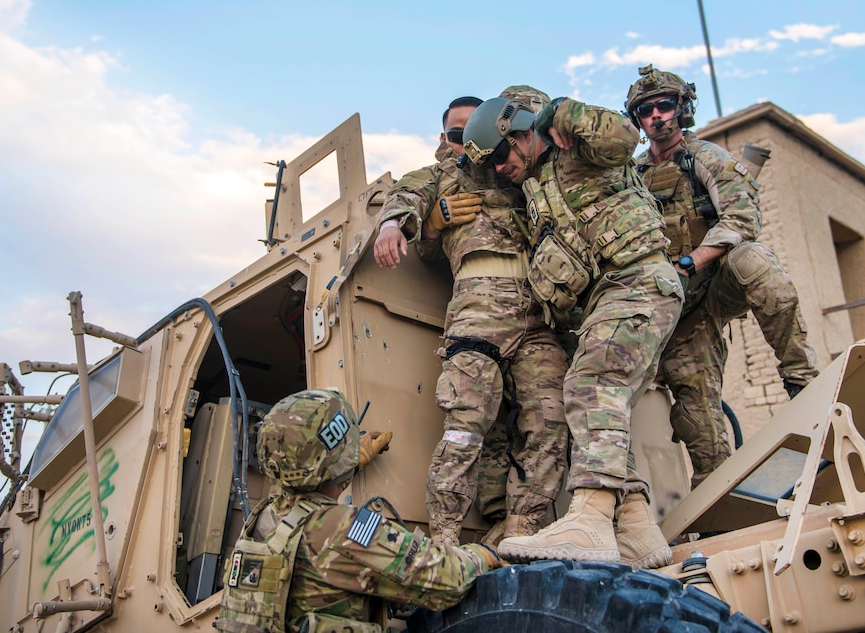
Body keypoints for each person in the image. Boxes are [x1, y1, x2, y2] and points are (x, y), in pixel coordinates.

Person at [461, 95, 682, 568]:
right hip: (615, 294)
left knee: (591, 386)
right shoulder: (538, 193)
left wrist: (559, 111)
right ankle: (637, 528)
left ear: (522, 130)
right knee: (599, 412)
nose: (501, 168)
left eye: (502, 155)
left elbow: (624, 137)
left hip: (637, 279)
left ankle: (590, 519)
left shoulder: (577, 150)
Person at [373, 89, 569, 550]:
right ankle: (443, 538)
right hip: (479, 306)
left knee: (551, 418)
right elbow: (407, 193)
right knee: (465, 422)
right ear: (445, 137)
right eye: (458, 135)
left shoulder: (522, 170)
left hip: (539, 309)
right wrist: (395, 226)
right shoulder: (444, 174)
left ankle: (521, 528)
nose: (468, 145)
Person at [627, 65, 820, 487]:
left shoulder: (707, 158)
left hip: (714, 284)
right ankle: (718, 504)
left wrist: (693, 261)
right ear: (637, 120)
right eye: (646, 110)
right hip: (675, 307)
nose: (657, 115)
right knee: (697, 417)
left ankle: (804, 383)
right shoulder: (633, 177)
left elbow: (742, 217)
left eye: (664, 105)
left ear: (681, 110)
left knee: (754, 260)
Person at [216, 389, 500, 632]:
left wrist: (345, 463)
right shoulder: (343, 528)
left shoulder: (266, 514)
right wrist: (484, 555)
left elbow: (302, 490)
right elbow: (447, 580)